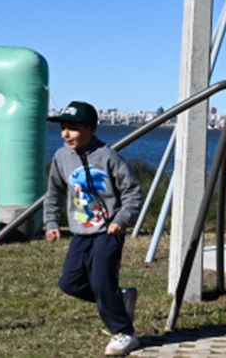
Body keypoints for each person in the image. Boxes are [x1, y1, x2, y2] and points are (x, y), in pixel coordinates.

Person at [43, 101, 143, 357]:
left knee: (100, 281)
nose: (66, 134)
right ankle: (117, 299)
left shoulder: (107, 156)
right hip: (80, 232)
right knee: (70, 282)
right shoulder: (61, 157)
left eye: (73, 129)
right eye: (63, 128)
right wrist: (51, 223)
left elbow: (132, 192)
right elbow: (53, 193)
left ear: (90, 129)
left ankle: (124, 333)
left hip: (108, 231)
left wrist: (121, 220)